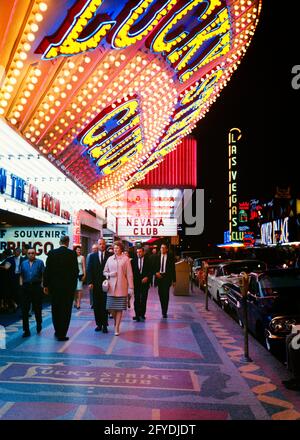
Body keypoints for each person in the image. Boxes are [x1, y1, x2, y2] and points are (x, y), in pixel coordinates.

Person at [43, 235, 79, 341]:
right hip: (67, 289)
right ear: (67, 242)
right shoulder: (72, 254)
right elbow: (75, 271)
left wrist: (46, 285)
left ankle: (57, 330)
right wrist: (73, 286)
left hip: (54, 288)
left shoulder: (52, 253)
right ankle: (62, 333)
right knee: (66, 310)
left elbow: (47, 271)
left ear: (59, 242)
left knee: (56, 309)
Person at [103, 241, 134, 336]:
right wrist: (109, 274)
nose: (115, 249)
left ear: (121, 248)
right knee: (111, 308)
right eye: (114, 248)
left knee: (119, 308)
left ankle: (117, 327)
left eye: (117, 248)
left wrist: (131, 288)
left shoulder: (126, 259)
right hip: (111, 287)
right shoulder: (110, 259)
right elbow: (104, 271)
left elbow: (129, 274)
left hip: (122, 287)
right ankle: (116, 322)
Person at [19, 248, 45, 337]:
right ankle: (26, 330)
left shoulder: (40, 262)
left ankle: (39, 324)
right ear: (27, 254)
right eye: (29, 253)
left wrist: (42, 286)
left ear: (35, 254)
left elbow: (43, 275)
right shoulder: (23, 263)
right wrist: (21, 285)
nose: (31, 255)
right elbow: (21, 275)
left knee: (37, 308)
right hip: (26, 287)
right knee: (25, 310)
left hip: (36, 287)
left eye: (32, 253)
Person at [87, 238, 110, 333]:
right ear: (98, 245)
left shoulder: (110, 256)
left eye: (103, 244)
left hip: (106, 285)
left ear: (105, 245)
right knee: (96, 305)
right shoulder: (92, 256)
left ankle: (105, 325)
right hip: (95, 285)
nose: (102, 245)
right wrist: (90, 282)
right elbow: (89, 270)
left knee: (105, 305)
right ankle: (99, 324)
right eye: (100, 244)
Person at [154, 243, 176, 318]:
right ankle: (162, 307)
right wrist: (156, 273)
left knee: (166, 294)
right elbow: (154, 267)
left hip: (167, 277)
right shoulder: (157, 256)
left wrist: (174, 280)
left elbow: (173, 269)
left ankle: (164, 311)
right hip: (159, 277)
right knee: (160, 294)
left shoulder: (170, 257)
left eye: (164, 248)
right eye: (161, 248)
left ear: (166, 249)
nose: (162, 249)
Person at [131, 247, 152, 322]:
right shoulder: (133, 261)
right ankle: (137, 315)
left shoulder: (148, 260)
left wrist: (147, 277)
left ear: (143, 252)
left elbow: (151, 271)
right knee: (136, 299)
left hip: (145, 283)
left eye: (140, 252)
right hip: (136, 283)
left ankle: (142, 315)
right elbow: (131, 272)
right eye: (137, 252)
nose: (138, 253)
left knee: (143, 299)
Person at [86, 243, 98, 308]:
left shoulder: (98, 255)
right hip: (90, 276)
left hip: (96, 276)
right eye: (93, 249)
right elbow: (87, 266)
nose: (94, 250)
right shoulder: (89, 255)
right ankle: (92, 303)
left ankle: (96, 303)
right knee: (91, 291)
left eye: (95, 248)